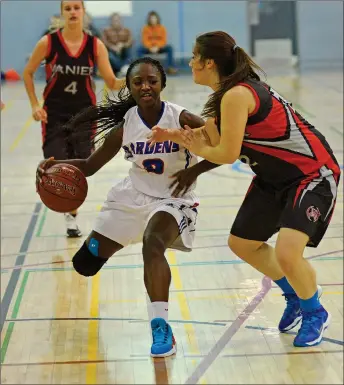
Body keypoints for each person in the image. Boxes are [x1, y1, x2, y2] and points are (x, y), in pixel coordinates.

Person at [148, 31, 341, 348]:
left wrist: (201, 149)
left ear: (209, 63)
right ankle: (295, 294)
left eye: (195, 57)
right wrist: (170, 134)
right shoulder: (222, 99)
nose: (191, 62)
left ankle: (315, 312)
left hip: (311, 174)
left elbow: (224, 153)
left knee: (288, 252)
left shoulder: (237, 95)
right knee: (242, 243)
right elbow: (207, 138)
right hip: (274, 178)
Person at [36, 57, 219, 357]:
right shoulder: (126, 126)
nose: (145, 86)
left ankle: (161, 327)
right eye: (138, 82)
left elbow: (224, 148)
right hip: (132, 198)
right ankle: (121, 237)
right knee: (84, 264)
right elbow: (90, 166)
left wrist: (194, 172)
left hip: (173, 199)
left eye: (151, 81)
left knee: (153, 243)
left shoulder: (182, 117)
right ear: (130, 88)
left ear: (162, 83)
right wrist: (52, 168)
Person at [23, 0, 125, 237]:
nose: (72, 12)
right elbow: (27, 73)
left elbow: (111, 82)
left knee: (79, 169)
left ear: (83, 12)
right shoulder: (48, 42)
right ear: (61, 13)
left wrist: (133, 78)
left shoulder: (95, 45)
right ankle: (70, 214)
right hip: (55, 116)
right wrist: (35, 104)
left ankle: (71, 213)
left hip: (85, 117)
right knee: (58, 165)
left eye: (76, 8)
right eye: (67, 8)